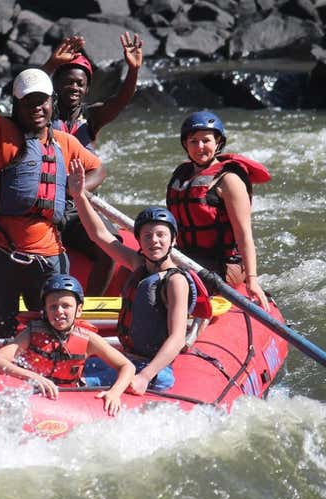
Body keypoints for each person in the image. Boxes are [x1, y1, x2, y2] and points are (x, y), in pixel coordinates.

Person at [0, 34, 104, 337]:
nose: (37, 107)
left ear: (52, 103)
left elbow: (98, 169)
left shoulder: (65, 143)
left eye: (42, 101)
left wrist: (77, 189)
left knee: (53, 337)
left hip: (48, 258)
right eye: (29, 102)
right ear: (17, 105)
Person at [69, 164, 210, 394]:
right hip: (127, 359)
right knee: (67, 368)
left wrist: (144, 377)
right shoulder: (139, 265)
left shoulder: (175, 281)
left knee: (79, 381)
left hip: (152, 369)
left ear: (173, 240)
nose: (154, 241)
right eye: (147, 236)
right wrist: (78, 196)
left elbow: (177, 338)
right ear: (140, 241)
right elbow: (99, 235)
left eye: (161, 235)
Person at [41, 33, 143, 295]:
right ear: (55, 86)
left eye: (80, 84)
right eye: (67, 82)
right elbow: (26, 92)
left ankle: (90, 305)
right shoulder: (41, 115)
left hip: (80, 208)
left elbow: (120, 101)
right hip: (45, 203)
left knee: (109, 248)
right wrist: (51, 64)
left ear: (87, 89)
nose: (74, 87)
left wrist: (133, 70)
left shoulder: (92, 117)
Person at [167, 111, 271, 310]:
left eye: (206, 140)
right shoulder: (182, 175)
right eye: (193, 141)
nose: (200, 147)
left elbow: (244, 234)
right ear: (185, 144)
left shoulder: (229, 180)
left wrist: (252, 280)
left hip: (224, 263)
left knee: (177, 286)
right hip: (187, 256)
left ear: (218, 143)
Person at [0, 274, 135, 416]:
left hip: (70, 395)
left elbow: (127, 366)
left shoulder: (88, 339)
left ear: (79, 310)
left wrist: (115, 392)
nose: (59, 312)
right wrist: (33, 377)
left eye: (66, 306)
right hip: (35, 394)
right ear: (45, 310)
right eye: (53, 307)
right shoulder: (31, 333)